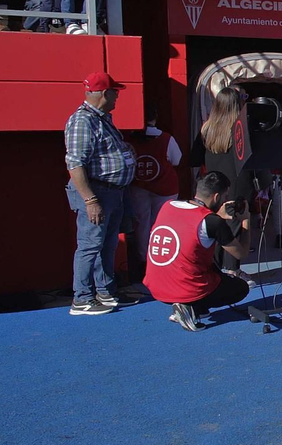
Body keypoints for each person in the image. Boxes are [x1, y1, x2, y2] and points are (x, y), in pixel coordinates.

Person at [63, 72, 136, 316]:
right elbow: (75, 164)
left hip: (112, 191)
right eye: (115, 91)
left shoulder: (102, 119)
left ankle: (105, 291)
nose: (117, 96)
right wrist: (90, 200)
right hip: (98, 192)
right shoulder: (83, 120)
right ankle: (82, 298)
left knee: (107, 243)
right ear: (105, 93)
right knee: (90, 245)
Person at [144, 172, 254, 332]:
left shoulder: (168, 206)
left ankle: (191, 306)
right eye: (224, 196)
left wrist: (216, 217)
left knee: (208, 267)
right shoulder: (212, 222)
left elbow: (190, 228)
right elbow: (241, 253)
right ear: (217, 197)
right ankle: (189, 305)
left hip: (156, 285)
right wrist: (245, 220)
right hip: (185, 286)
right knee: (241, 288)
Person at [191, 87, 258, 279]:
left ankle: (217, 268)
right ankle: (232, 269)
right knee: (235, 225)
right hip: (238, 182)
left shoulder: (207, 128)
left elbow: (195, 158)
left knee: (215, 225)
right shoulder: (242, 128)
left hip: (213, 183)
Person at [126, 104, 183, 278]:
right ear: (155, 117)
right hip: (165, 187)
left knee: (141, 224)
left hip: (139, 186)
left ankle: (144, 259)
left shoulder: (130, 139)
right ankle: (162, 258)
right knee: (163, 224)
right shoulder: (166, 138)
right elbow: (177, 160)